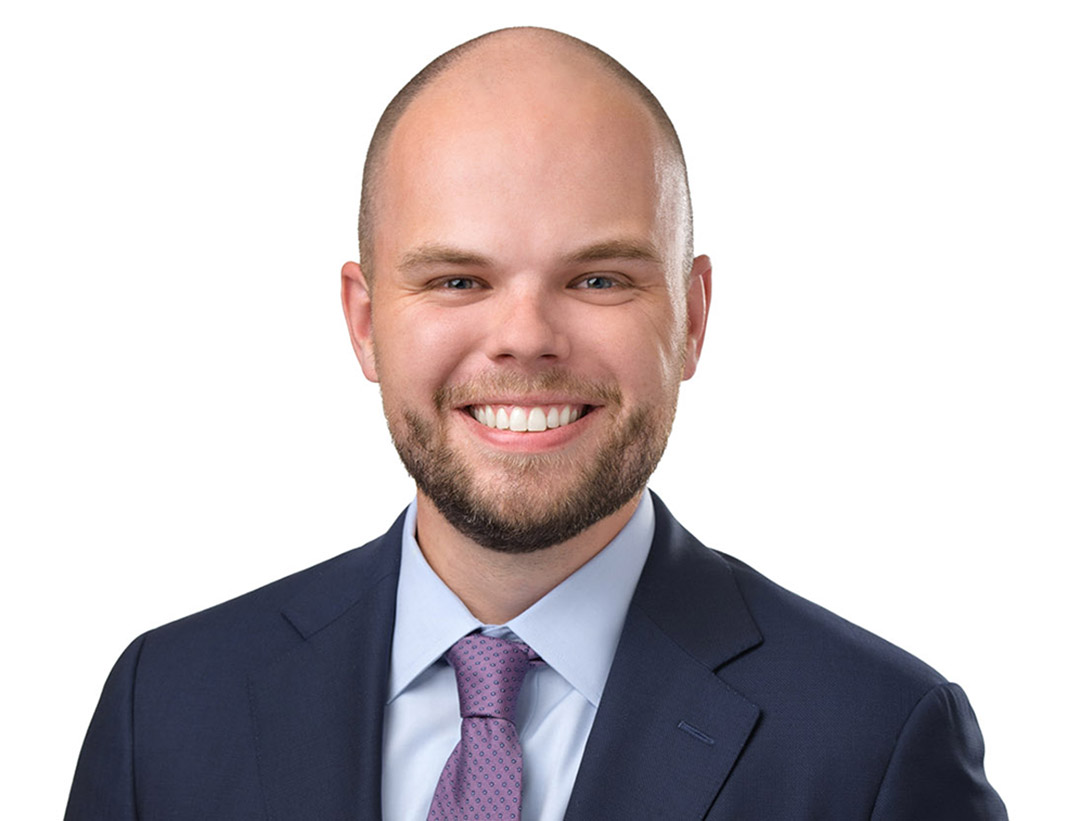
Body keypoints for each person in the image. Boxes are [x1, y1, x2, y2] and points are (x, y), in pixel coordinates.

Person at [65, 26, 1007, 820]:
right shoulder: (166, 711)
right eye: (457, 280)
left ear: (691, 318)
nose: (525, 337)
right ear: (364, 322)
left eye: (598, 278)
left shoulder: (875, 746)